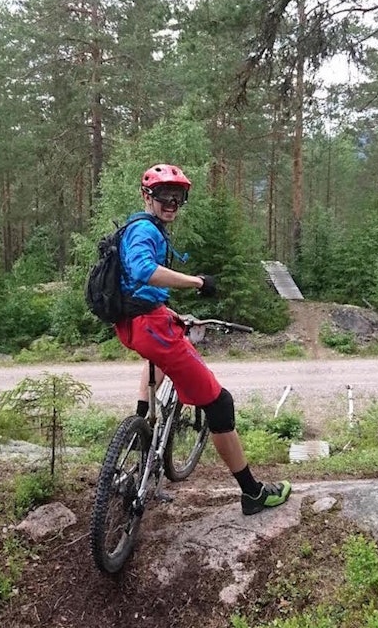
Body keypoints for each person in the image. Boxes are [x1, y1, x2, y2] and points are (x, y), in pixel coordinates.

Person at [113, 163, 291, 516]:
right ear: (146, 195)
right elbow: (143, 270)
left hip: (136, 323)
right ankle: (252, 493)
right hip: (149, 328)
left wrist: (169, 314)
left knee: (163, 353)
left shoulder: (138, 226)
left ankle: (141, 431)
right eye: (164, 195)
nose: (171, 203)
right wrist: (196, 281)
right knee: (219, 404)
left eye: (178, 197)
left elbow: (140, 287)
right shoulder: (145, 232)